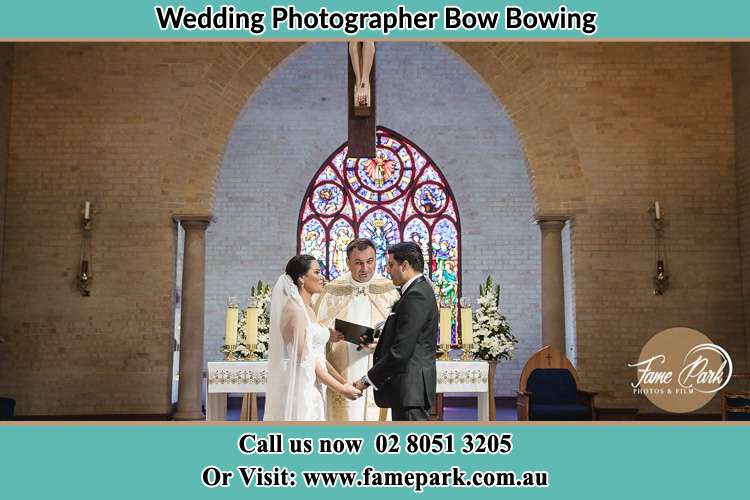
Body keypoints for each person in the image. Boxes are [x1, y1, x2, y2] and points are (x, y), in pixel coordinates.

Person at [264, 255, 361, 421]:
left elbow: (317, 356)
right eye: (317, 272)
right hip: (302, 386)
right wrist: (340, 389)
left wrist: (344, 382)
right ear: (302, 278)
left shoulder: (308, 309)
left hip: (314, 383)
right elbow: (306, 359)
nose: (322, 277)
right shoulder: (294, 311)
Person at [313, 238, 400, 421]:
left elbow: (403, 335)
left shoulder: (390, 291)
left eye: (370, 262)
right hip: (341, 368)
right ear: (347, 263)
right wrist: (329, 335)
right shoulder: (331, 292)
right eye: (358, 263)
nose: (365, 268)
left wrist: (384, 342)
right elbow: (313, 333)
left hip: (378, 368)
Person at [354, 242, 438, 421]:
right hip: (407, 391)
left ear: (405, 265)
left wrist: (366, 380)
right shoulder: (416, 291)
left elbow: (401, 351)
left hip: (410, 389)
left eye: (391, 265)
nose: (388, 270)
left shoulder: (416, 295)